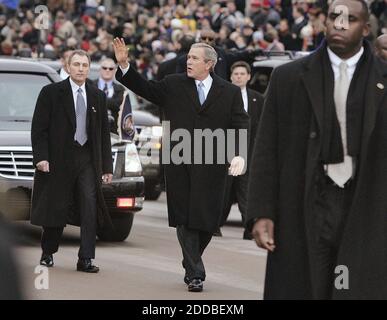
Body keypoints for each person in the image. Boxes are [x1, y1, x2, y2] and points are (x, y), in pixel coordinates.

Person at [246, 0, 387, 299]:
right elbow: (266, 148)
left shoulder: (382, 80)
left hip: (365, 207)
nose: (340, 24)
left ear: (366, 28)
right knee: (306, 286)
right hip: (305, 203)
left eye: (350, 19)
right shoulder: (288, 78)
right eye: (335, 16)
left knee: (352, 287)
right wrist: (261, 212)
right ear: (324, 22)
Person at [113, 38, 249, 292]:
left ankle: (190, 257)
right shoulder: (174, 84)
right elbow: (146, 88)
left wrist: (239, 154)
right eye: (188, 57)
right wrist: (125, 66)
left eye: (194, 58)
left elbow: (240, 123)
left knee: (208, 220)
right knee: (184, 217)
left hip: (213, 163)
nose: (188, 61)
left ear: (209, 64)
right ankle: (195, 271)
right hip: (179, 161)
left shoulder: (228, 92)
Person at [31, 50, 113, 273]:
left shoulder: (97, 96)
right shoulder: (51, 93)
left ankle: (85, 258)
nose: (80, 69)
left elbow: (103, 134)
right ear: (67, 67)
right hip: (58, 158)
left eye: (85, 65)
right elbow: (39, 129)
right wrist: (41, 157)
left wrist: (107, 166)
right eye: (76, 64)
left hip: (86, 158)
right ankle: (48, 252)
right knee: (56, 205)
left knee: (89, 205)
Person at [219, 61, 264, 240]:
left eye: (242, 74)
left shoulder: (257, 99)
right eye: (235, 74)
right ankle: (215, 225)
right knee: (225, 191)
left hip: (249, 152)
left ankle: (249, 228)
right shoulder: (223, 96)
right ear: (231, 76)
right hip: (228, 151)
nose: (238, 77)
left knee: (246, 191)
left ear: (248, 77)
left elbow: (262, 125)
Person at [176, 29, 261, 81]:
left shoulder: (221, 53)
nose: (207, 41)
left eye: (210, 39)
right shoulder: (189, 56)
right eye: (204, 38)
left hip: (218, 91)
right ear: (199, 39)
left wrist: (251, 52)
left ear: (214, 40)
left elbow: (237, 56)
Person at [92, 58, 125, 134]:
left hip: (113, 131)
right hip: (93, 129)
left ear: (114, 71)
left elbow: (119, 106)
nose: (107, 70)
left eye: (111, 68)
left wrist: (98, 99)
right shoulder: (91, 85)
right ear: (100, 69)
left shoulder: (120, 89)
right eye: (104, 68)